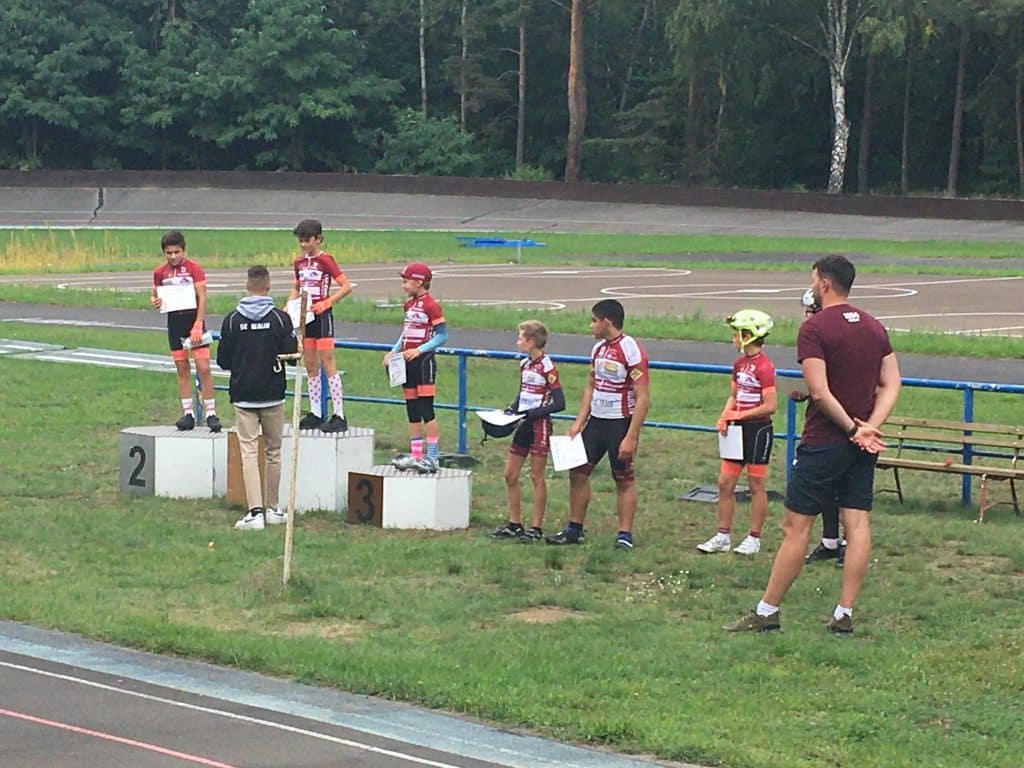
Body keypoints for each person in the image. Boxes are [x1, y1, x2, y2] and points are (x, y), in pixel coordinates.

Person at [725, 255, 900, 635]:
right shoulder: (874, 326)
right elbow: (892, 383)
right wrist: (870, 426)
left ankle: (767, 610)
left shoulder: (815, 329)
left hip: (824, 441)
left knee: (795, 526)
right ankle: (844, 613)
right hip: (860, 445)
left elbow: (819, 392)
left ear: (823, 283)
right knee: (857, 523)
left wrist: (853, 430)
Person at [546, 299, 650, 549]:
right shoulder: (598, 350)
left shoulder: (631, 349)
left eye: (594, 320)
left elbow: (643, 397)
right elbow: (591, 385)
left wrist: (631, 437)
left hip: (620, 423)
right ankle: (575, 528)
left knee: (623, 479)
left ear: (608, 321)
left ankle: (624, 534)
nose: (590, 326)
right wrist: (578, 423)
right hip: (596, 423)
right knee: (578, 472)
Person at [216, 266, 298, 531]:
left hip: (243, 393)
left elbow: (223, 360)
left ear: (247, 286)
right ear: (268, 286)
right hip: (273, 393)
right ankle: (273, 507)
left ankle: (255, 512)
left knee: (249, 452)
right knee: (274, 451)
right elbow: (292, 354)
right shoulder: (280, 319)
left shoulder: (231, 321)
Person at [697, 309, 777, 556]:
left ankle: (754, 538)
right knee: (725, 482)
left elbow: (770, 405)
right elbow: (734, 396)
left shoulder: (765, 366)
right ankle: (723, 535)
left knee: (756, 484)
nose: (733, 339)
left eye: (736, 334)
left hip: (758, 430)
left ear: (748, 335)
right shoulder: (739, 364)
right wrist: (725, 416)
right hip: (736, 429)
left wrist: (740, 416)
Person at [490, 320, 566, 543]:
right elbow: (523, 393)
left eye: (521, 338)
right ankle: (515, 524)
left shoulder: (547, 367)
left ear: (531, 341)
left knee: (536, 476)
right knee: (510, 474)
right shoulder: (525, 365)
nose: (518, 342)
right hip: (523, 423)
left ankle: (536, 527)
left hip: (539, 426)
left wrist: (535, 413)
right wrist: (512, 410)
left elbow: (559, 402)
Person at [150, 230, 220, 432]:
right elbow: (155, 294)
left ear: (184, 250)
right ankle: (187, 412)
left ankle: (211, 413)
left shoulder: (193, 269)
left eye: (177, 252)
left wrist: (198, 323)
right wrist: (155, 301)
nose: (173, 256)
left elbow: (202, 296)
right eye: (169, 253)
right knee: (182, 369)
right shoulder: (160, 272)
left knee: (204, 367)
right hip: (175, 323)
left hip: (193, 322)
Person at [795, 288, 845, 567]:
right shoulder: (820, 333)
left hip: (841, 419)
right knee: (827, 486)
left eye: (809, 311)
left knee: (843, 485)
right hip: (825, 415)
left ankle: (847, 544)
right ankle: (829, 541)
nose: (806, 318)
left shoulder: (825, 333)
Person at [288, 219, 352, 433]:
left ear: (318, 239)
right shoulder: (299, 263)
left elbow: (345, 286)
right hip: (306, 317)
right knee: (310, 364)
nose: (304, 245)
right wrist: (289, 306)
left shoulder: (326, 260)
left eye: (307, 240)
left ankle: (339, 414)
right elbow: (297, 287)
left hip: (322, 316)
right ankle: (316, 412)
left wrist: (327, 302)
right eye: (301, 241)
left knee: (328, 362)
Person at [384, 262, 449, 473]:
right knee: (412, 410)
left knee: (426, 409)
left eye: (405, 281)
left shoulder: (431, 306)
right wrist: (394, 351)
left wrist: (420, 350)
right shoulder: (408, 306)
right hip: (406, 363)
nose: (403, 286)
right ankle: (416, 454)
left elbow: (442, 335)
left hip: (423, 363)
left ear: (419, 282)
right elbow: (405, 334)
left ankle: (432, 456)